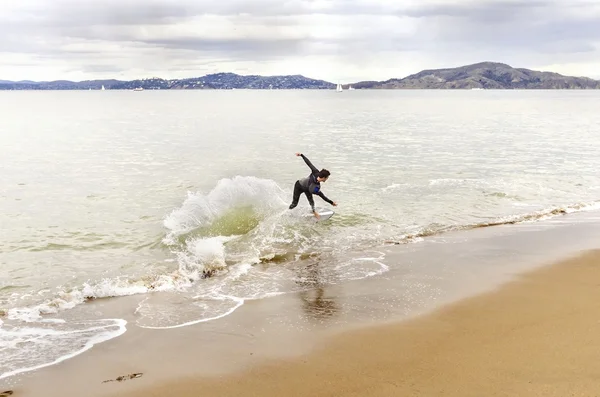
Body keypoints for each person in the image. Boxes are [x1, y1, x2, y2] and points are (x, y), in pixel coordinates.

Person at [289, 152, 337, 219]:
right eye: (327, 177)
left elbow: (309, 163)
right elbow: (322, 196)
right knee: (294, 204)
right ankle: (288, 212)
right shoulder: (315, 183)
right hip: (299, 186)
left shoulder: (316, 177)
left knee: (311, 200)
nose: (327, 179)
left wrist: (302, 155)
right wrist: (302, 155)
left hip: (307, 188)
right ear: (324, 178)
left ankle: (313, 211)